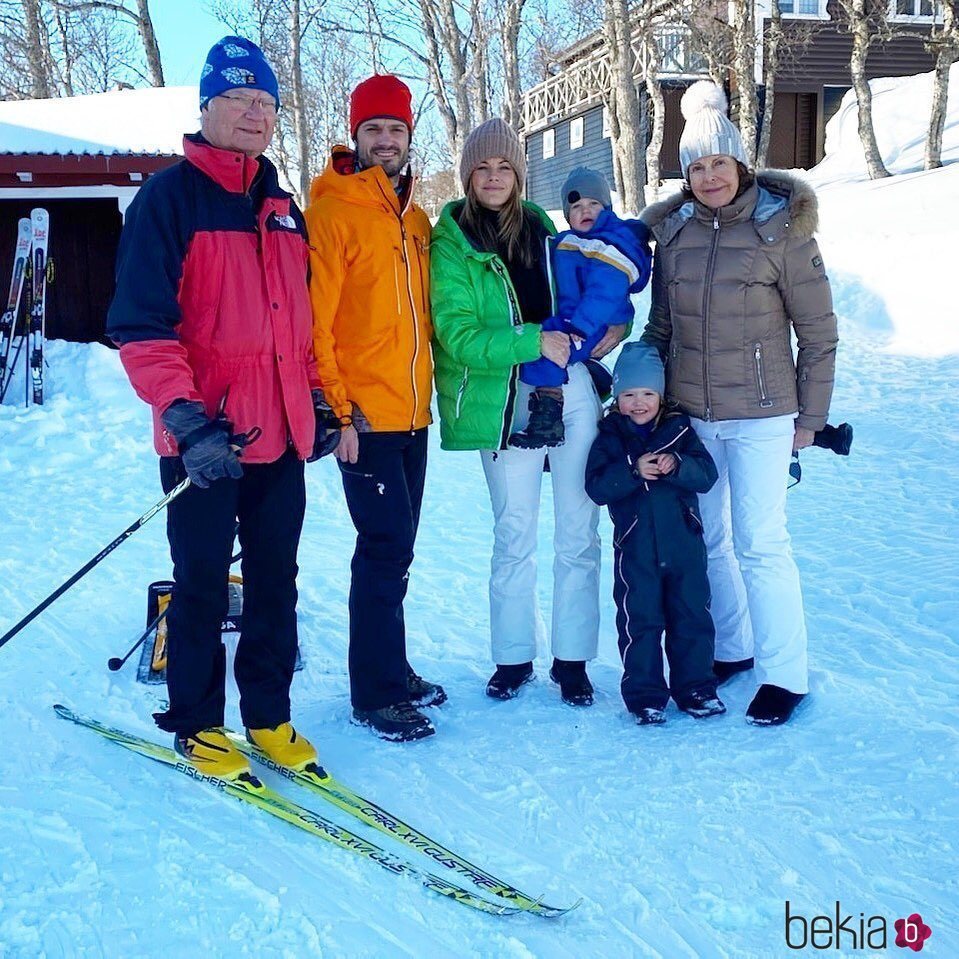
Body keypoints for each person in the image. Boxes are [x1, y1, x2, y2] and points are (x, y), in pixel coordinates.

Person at [107, 37, 335, 780]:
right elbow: (141, 328)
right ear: (205, 107)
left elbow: (294, 326)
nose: (253, 113)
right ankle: (197, 721)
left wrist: (318, 401)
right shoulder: (167, 198)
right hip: (206, 439)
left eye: (265, 102)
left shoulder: (282, 206)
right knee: (202, 580)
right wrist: (185, 419)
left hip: (278, 436)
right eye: (237, 99)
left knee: (276, 580)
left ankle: (268, 716)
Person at [640, 80, 838, 726]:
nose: (707, 177)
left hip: (762, 412)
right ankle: (732, 646)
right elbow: (661, 328)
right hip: (695, 415)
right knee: (711, 538)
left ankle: (784, 673)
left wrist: (809, 418)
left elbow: (817, 331)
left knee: (761, 540)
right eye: (695, 167)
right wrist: (641, 387)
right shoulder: (674, 234)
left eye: (716, 163)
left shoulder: (780, 229)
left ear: (738, 163)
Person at [430, 118, 627, 707]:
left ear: (519, 173)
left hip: (572, 394)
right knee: (513, 534)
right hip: (504, 403)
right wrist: (531, 342)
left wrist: (617, 330)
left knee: (579, 531)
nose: (494, 178)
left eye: (505, 167)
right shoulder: (451, 243)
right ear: (468, 175)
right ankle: (513, 657)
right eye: (483, 168)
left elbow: (601, 287)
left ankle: (572, 660)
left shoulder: (544, 227)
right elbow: (457, 336)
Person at [304, 74, 444, 743]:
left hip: (411, 413)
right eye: (373, 130)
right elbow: (315, 323)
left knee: (400, 549)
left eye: (395, 130)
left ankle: (393, 666)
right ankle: (375, 693)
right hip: (366, 418)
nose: (385, 140)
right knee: (382, 548)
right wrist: (337, 412)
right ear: (354, 136)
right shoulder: (332, 213)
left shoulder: (414, 218)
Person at [585, 343, 724, 725]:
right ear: (617, 397)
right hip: (636, 549)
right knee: (640, 620)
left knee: (691, 616)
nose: (638, 402)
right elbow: (596, 487)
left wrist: (677, 464)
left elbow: (707, 475)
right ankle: (645, 694)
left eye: (647, 393)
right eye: (628, 394)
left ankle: (696, 688)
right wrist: (631, 471)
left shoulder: (680, 433)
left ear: (661, 396)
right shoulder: (610, 438)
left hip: (684, 546)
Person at [508, 166, 651, 450]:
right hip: (573, 319)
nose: (585, 211)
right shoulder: (571, 241)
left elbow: (604, 294)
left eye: (593, 204)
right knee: (540, 340)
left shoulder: (609, 247)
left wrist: (579, 327)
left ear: (607, 208)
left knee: (547, 347)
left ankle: (548, 416)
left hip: (586, 324)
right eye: (576, 206)